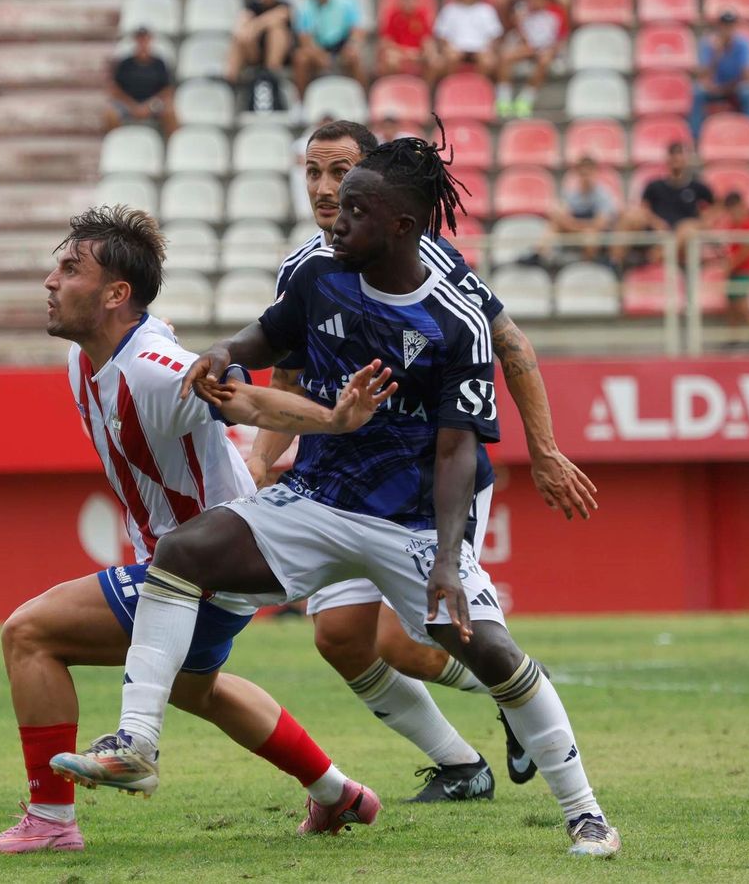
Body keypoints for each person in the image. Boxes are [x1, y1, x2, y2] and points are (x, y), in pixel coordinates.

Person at [53, 137, 622, 859]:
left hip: (412, 517)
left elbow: (456, 450)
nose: (337, 220)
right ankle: (136, 741)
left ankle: (586, 814)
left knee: (486, 650)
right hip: (318, 497)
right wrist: (227, 352)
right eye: (335, 202)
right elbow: (274, 333)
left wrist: (447, 561)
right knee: (186, 553)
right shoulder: (322, 272)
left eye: (356, 209)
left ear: (402, 228)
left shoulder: (454, 318)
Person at [0, 206, 400, 854]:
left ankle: (50, 823)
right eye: (56, 266)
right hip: (205, 568)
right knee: (201, 690)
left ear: (116, 295)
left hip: (206, 568)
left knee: (29, 633)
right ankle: (337, 792)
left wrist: (335, 419)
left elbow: (242, 397)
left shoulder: (152, 369)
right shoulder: (89, 361)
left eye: (69, 268)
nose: (51, 281)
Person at [247, 121, 599, 801]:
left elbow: (511, 347)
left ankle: (520, 689)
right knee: (341, 640)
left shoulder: (434, 269)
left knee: (410, 643)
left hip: (424, 486)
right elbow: (286, 378)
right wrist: (263, 462)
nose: (325, 189)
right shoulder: (305, 270)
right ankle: (461, 766)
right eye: (314, 171)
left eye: (340, 173)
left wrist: (546, 451)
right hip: (338, 485)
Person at [612, 141, 715, 267]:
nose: (676, 158)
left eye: (680, 154)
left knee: (687, 230)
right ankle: (615, 265)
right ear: (667, 158)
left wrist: (699, 223)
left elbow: (715, 209)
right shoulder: (654, 186)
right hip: (656, 231)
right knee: (629, 216)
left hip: (682, 235)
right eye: (673, 154)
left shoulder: (698, 187)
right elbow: (644, 208)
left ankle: (653, 258)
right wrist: (657, 224)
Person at [496, 0, 568, 117]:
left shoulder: (557, 12)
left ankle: (526, 99)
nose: (531, 1)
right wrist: (519, 22)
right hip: (528, 47)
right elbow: (520, 33)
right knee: (505, 56)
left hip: (547, 49)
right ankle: (503, 99)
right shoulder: (522, 11)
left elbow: (561, 38)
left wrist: (552, 49)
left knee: (545, 59)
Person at [690, 11, 749, 137]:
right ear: (719, 27)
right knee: (698, 92)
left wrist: (733, 85)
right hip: (715, 88)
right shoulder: (708, 44)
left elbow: (748, 73)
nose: (727, 29)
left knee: (748, 92)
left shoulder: (743, 44)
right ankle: (696, 139)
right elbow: (704, 75)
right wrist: (716, 55)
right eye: (724, 25)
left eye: (731, 26)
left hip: (735, 87)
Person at [293, 0, 367, 92]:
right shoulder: (305, 6)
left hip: (342, 44)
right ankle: (301, 103)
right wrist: (318, 55)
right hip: (318, 46)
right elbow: (305, 39)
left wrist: (352, 45)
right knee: (301, 59)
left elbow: (357, 30)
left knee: (355, 57)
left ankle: (362, 98)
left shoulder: (347, 1)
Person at [544, 155, 619, 261]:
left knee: (590, 237)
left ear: (595, 172)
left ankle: (587, 266)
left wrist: (574, 225)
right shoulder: (570, 194)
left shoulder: (604, 195)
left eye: (589, 173)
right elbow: (559, 216)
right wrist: (580, 228)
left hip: (595, 235)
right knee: (553, 226)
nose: (586, 177)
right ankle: (541, 257)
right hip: (578, 230)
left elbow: (600, 225)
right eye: (583, 174)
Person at [432, 0, 503, 82]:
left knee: (487, 61)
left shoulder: (486, 10)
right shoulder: (449, 10)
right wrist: (447, 47)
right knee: (451, 57)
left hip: (480, 48)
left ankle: (479, 89)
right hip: (455, 47)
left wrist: (490, 48)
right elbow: (441, 35)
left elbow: (494, 35)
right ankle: (452, 88)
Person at [107, 27, 176, 135]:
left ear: (150, 41)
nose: (143, 43)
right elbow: (115, 89)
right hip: (128, 103)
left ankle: (173, 145)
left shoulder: (159, 63)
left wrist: (148, 106)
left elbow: (167, 90)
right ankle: (116, 144)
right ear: (135, 41)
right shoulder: (125, 64)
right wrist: (132, 106)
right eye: (140, 39)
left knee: (170, 113)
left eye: (145, 39)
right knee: (110, 114)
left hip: (153, 103)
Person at [226, 0, 292, 82]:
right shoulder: (251, 6)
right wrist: (252, 29)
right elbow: (240, 29)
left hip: (280, 56)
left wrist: (255, 25)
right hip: (254, 51)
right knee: (238, 40)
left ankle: (272, 73)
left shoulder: (284, 5)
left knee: (277, 30)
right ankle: (230, 79)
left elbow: (281, 15)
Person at [716, 191, 749, 348]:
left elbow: (747, 250)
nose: (733, 213)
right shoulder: (731, 225)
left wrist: (730, 264)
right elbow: (730, 248)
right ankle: (733, 338)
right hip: (734, 270)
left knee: (743, 304)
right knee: (732, 305)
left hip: (746, 270)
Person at [375, 0, 439, 77]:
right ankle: (395, 89)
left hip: (418, 54)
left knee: (435, 61)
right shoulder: (394, 16)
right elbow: (386, 42)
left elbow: (427, 40)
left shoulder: (421, 16)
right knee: (391, 59)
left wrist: (429, 53)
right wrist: (406, 52)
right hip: (399, 53)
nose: (408, 1)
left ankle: (425, 90)